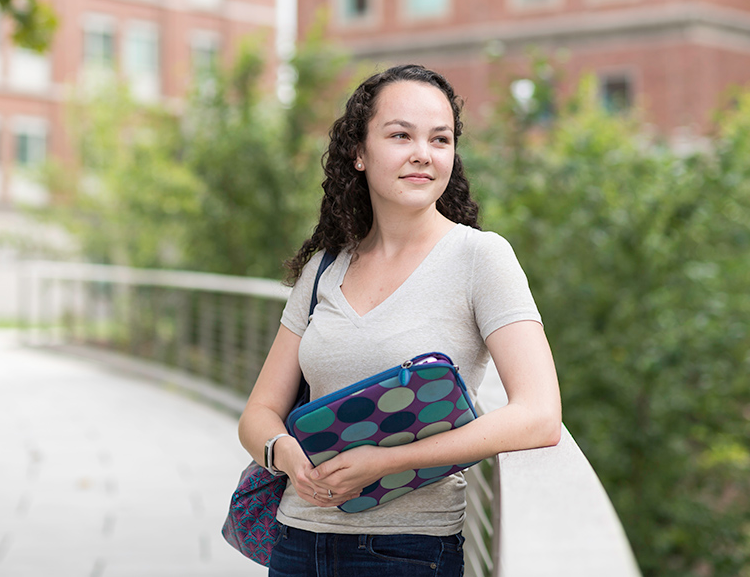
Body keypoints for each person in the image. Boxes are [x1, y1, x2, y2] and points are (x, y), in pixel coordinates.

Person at [238, 65, 562, 576]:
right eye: (400, 135)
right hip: (297, 543)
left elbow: (540, 415)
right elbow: (258, 412)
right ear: (359, 154)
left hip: (409, 552)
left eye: (440, 139)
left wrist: (385, 462)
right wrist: (285, 456)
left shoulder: (481, 258)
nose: (423, 154)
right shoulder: (326, 267)